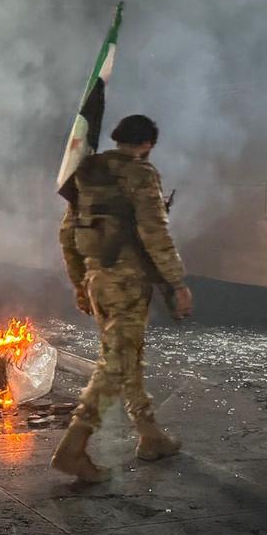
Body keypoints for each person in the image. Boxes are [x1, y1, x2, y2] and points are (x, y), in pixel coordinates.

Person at [51, 114, 193, 483]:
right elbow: (154, 232)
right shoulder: (141, 175)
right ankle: (74, 447)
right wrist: (177, 283)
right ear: (147, 144)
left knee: (127, 357)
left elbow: (67, 233)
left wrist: (80, 284)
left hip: (98, 279)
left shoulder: (87, 172)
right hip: (128, 281)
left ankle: (149, 434)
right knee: (115, 363)